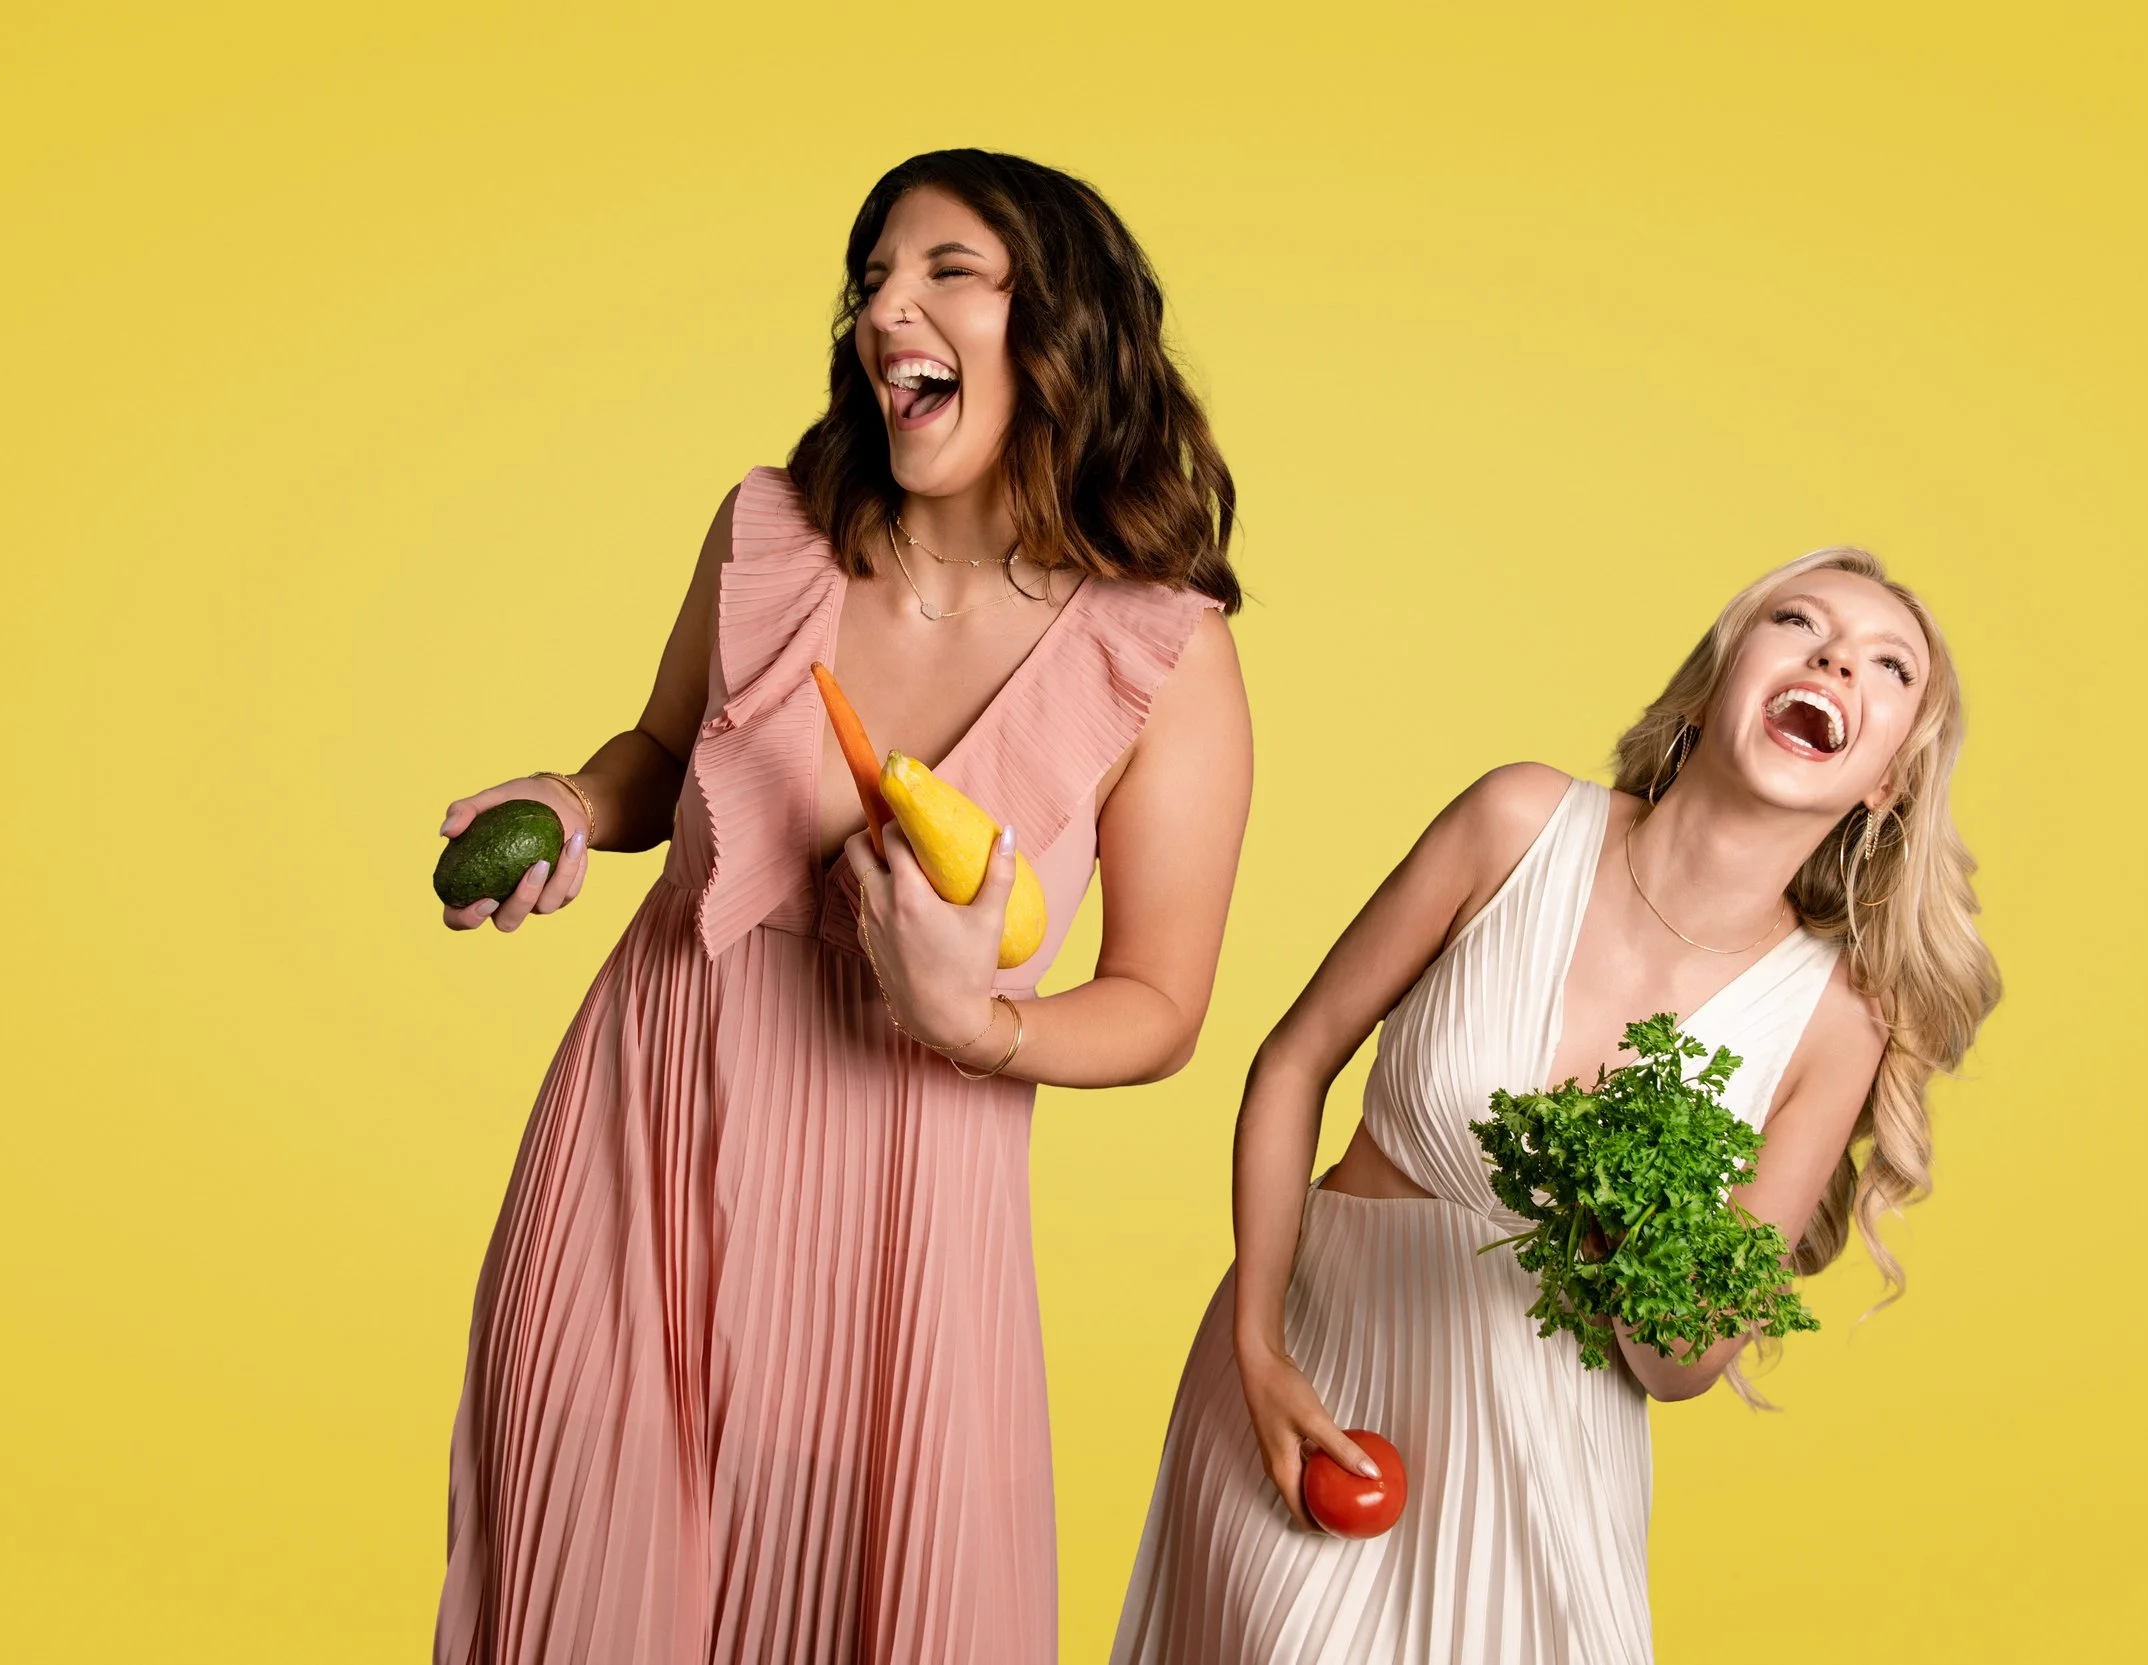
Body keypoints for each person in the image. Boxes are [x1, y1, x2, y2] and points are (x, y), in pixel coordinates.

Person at [431, 149, 1253, 1665]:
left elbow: (1162, 1006)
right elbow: (657, 759)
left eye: (948, 272)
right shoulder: (769, 533)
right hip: (643, 1132)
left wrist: (982, 1025)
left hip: (905, 1215)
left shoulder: (1162, 654)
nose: (890, 309)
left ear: (1061, 328)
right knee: (580, 1579)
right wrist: (570, 799)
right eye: (873, 278)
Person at [1111, 550, 2000, 1665]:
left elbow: (1680, 1364)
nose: (1834, 657)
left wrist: (1623, 1229)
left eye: (1888, 665)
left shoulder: (1836, 1017)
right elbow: (1292, 1064)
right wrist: (1257, 1345)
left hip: (1549, 1463)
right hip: (1314, 1381)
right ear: (1718, 679)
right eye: (1797, 621)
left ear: (1887, 783)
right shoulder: (1515, 821)